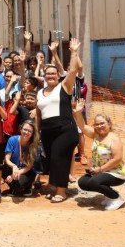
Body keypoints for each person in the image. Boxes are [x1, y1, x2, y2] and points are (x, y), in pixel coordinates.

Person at [36, 38, 81, 203]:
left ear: (57, 75)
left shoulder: (65, 86)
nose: (51, 76)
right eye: (48, 74)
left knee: (58, 158)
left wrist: (74, 52)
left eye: (53, 73)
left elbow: (74, 71)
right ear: (44, 76)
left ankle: (62, 191)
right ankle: (54, 186)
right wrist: (38, 131)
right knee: (51, 160)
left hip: (65, 129)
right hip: (47, 130)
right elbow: (39, 114)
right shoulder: (40, 92)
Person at [73, 100, 125, 211]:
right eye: (96, 124)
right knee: (82, 182)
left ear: (109, 124)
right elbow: (82, 126)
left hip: (116, 173)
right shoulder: (95, 134)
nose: (99, 126)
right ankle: (109, 195)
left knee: (94, 182)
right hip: (100, 171)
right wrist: (78, 112)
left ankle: (116, 198)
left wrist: (100, 169)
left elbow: (117, 159)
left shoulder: (114, 138)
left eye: (102, 123)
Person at [3, 120, 39, 197]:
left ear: (32, 134)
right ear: (21, 129)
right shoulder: (12, 140)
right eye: (25, 129)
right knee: (2, 169)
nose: (26, 132)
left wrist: (14, 175)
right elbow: (7, 159)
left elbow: (29, 167)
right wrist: (14, 167)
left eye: (30, 131)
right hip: (13, 168)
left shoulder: (33, 145)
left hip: (26, 172)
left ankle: (27, 187)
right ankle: (14, 188)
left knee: (18, 185)